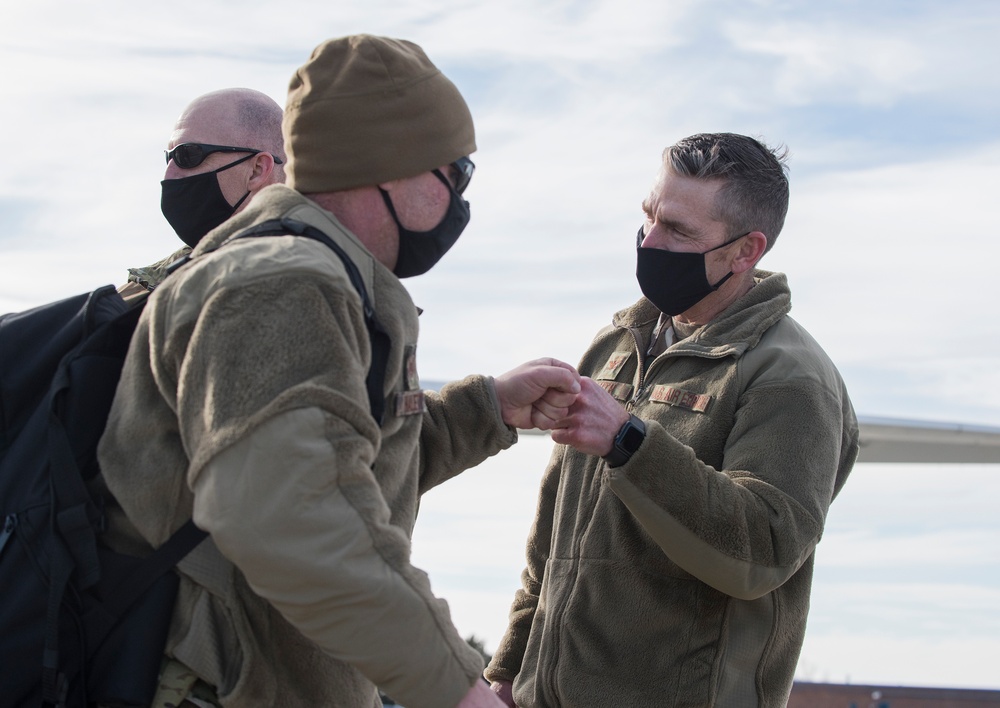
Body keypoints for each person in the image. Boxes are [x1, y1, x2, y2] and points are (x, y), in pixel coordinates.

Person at [96, 35, 580, 708]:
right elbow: (293, 513)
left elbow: (342, 457)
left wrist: (487, 409)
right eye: (455, 173)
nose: (461, 200)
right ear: (392, 171)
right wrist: (460, 691)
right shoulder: (283, 283)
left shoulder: (315, 275)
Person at [485, 133, 859, 708]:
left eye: (679, 231)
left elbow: (761, 551)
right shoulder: (615, 345)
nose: (650, 241)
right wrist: (508, 675)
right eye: (650, 217)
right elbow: (551, 539)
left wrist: (630, 444)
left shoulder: (791, 377)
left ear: (745, 251)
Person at [117, 87, 286, 302]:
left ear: (257, 170)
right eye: (169, 158)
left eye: (187, 155)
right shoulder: (139, 294)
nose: (169, 174)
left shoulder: (311, 280)